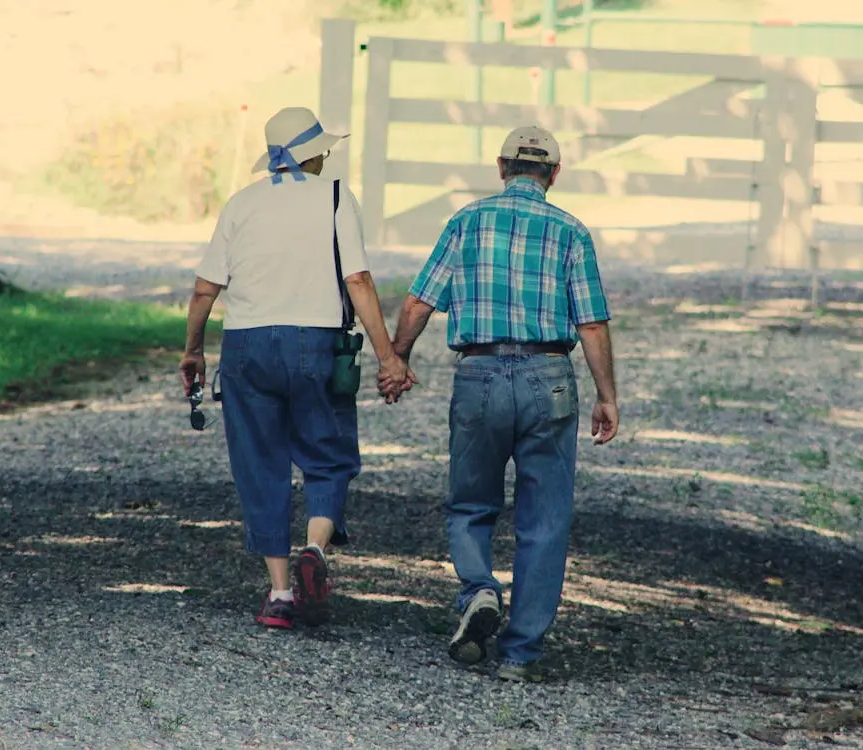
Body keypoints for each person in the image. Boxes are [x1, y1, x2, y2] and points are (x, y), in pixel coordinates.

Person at [384, 125, 619, 683]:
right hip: (549, 377)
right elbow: (591, 321)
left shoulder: (466, 222)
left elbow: (420, 301)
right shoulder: (571, 232)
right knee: (546, 518)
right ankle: (520, 654)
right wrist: (607, 396)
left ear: (501, 167)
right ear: (554, 174)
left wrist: (396, 360)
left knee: (470, 503)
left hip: (480, 372)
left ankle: (479, 588)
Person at [179, 106, 411, 630]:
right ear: (314, 154)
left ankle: (281, 593)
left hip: (246, 347)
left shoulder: (240, 204)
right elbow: (358, 281)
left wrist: (193, 349)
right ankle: (316, 548)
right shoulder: (334, 197)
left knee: (260, 465)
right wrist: (388, 356)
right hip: (316, 341)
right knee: (327, 455)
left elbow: (204, 288)